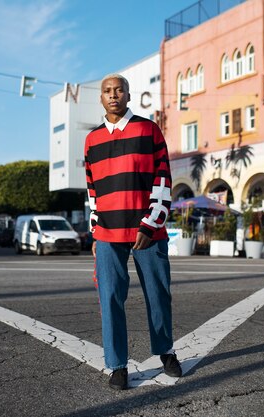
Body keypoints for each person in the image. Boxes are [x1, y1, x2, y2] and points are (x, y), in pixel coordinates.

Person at [84, 74, 181, 390]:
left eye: (118, 90)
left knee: (158, 293)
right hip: (108, 233)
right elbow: (92, 191)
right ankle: (117, 365)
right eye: (107, 91)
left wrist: (151, 224)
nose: (113, 95)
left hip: (147, 232)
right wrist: (95, 231)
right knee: (110, 297)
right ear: (101, 98)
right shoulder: (92, 140)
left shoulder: (148, 130)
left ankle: (165, 351)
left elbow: (163, 178)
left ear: (128, 95)